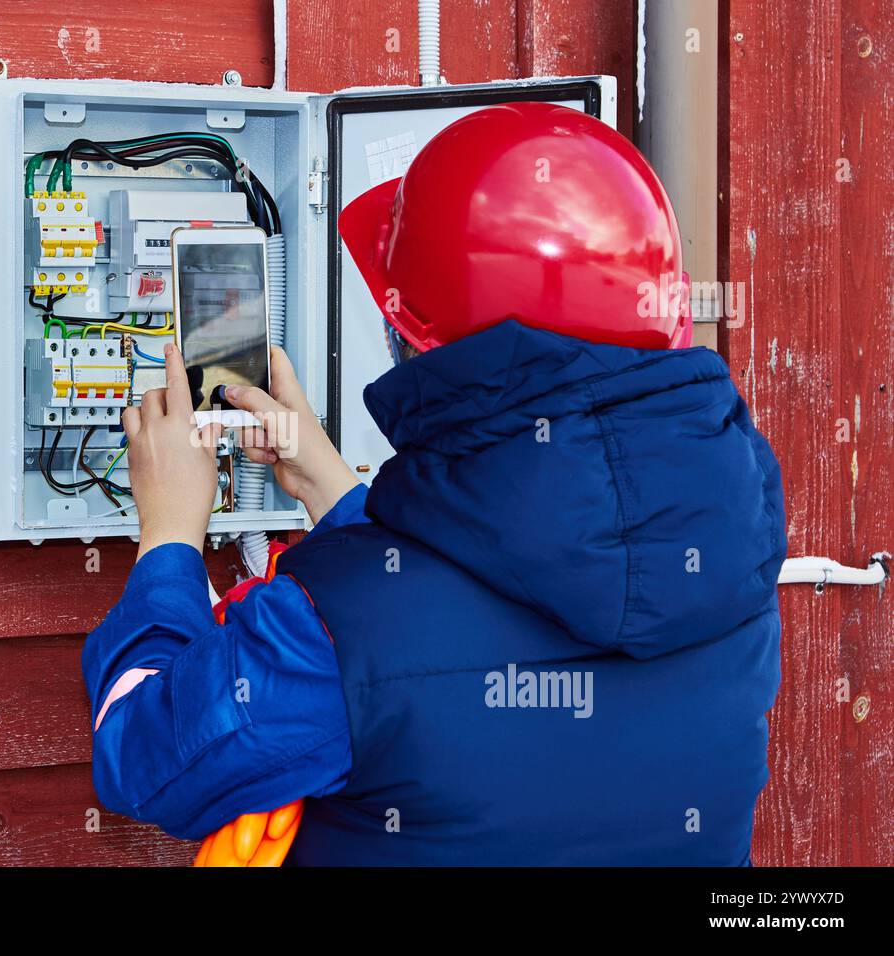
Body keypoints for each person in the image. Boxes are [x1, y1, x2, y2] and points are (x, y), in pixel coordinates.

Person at [82, 102, 786, 865]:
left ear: (411, 339)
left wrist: (168, 539)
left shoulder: (328, 632)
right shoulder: (727, 557)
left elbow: (143, 753)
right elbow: (476, 602)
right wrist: (331, 489)